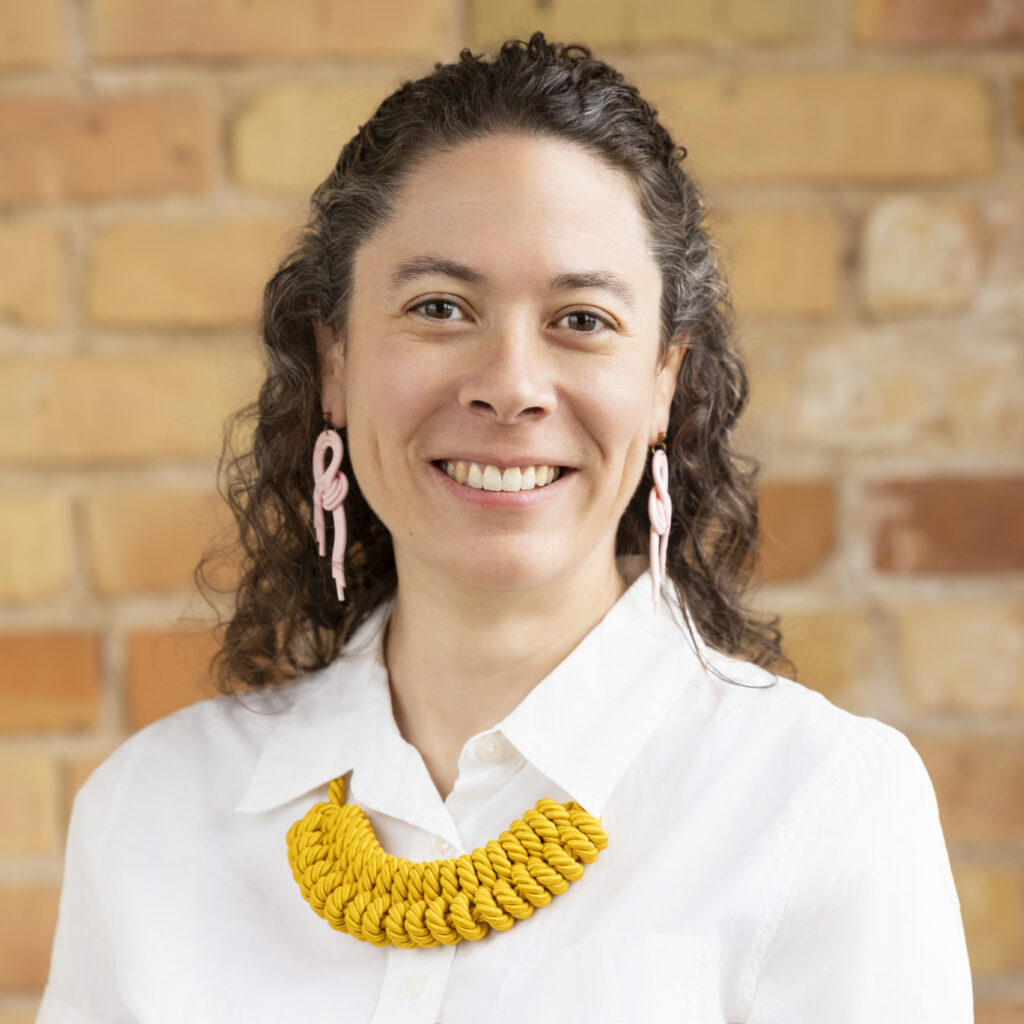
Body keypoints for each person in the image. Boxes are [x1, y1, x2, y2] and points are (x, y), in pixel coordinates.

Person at [39, 34, 972, 1024]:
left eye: (580, 319)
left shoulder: (822, 808)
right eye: (440, 307)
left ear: (665, 379)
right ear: (335, 359)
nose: (511, 386)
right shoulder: (149, 815)